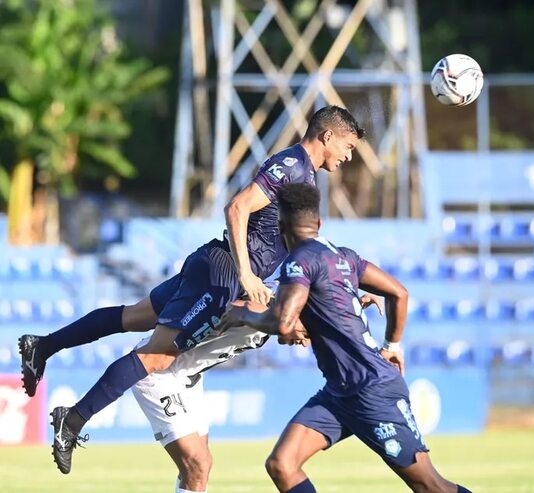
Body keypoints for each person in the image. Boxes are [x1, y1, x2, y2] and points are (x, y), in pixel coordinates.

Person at [20, 104, 364, 475]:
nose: (348, 155)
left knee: (133, 316)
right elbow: (237, 207)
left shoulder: (304, 174)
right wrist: (246, 276)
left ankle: (44, 345)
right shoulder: (292, 165)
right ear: (327, 136)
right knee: (157, 358)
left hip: (213, 265)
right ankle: (71, 421)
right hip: (224, 274)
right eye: (348, 146)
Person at [218, 183, 472, 493]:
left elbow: (283, 324)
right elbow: (398, 293)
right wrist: (392, 344)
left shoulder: (298, 262)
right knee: (282, 464)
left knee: (431, 486)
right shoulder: (343, 257)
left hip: (372, 390)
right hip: (340, 392)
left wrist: (242, 314)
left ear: (280, 226)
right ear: (319, 223)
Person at [131, 310, 307, 493]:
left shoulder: (269, 321)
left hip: (189, 376)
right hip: (159, 371)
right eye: (306, 333)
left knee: (198, 467)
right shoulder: (264, 308)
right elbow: (234, 304)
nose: (305, 342)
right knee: (197, 463)